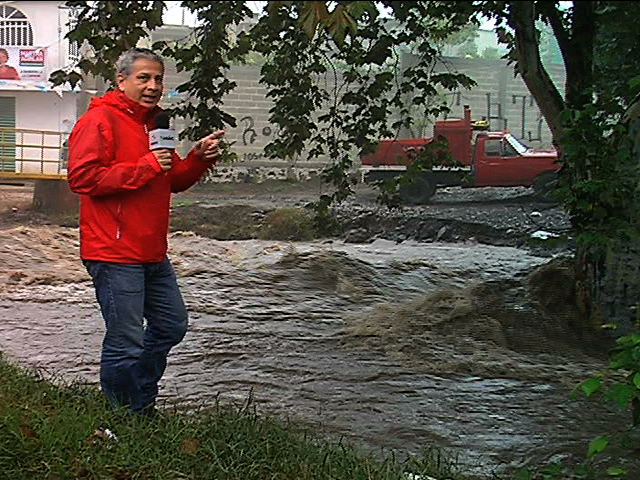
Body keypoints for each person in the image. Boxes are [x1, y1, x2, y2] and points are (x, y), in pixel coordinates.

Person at [67, 47, 224, 414]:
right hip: (112, 250)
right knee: (126, 341)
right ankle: (127, 415)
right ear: (121, 80)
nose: (152, 85)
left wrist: (198, 158)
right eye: (143, 78)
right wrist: (145, 165)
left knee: (171, 326)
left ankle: (139, 397)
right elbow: (82, 178)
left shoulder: (158, 123)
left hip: (152, 251)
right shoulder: (99, 121)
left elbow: (171, 180)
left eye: (158, 78)